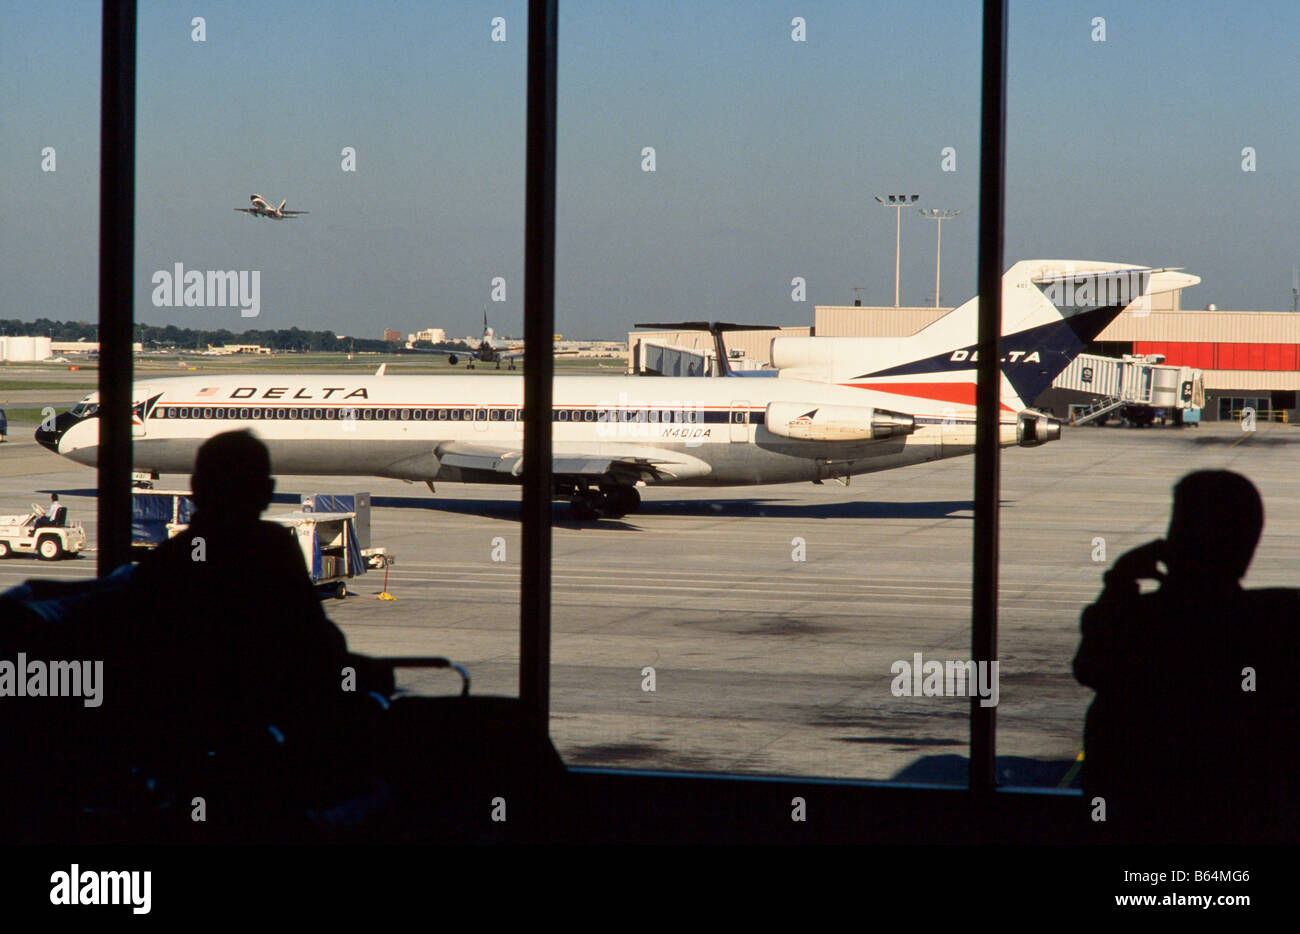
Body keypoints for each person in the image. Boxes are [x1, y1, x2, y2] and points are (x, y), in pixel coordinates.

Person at [1073, 470, 1300, 843]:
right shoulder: (1278, 620)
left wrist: (1119, 582)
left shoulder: (1142, 623)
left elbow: (1090, 667)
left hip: (1134, 820)